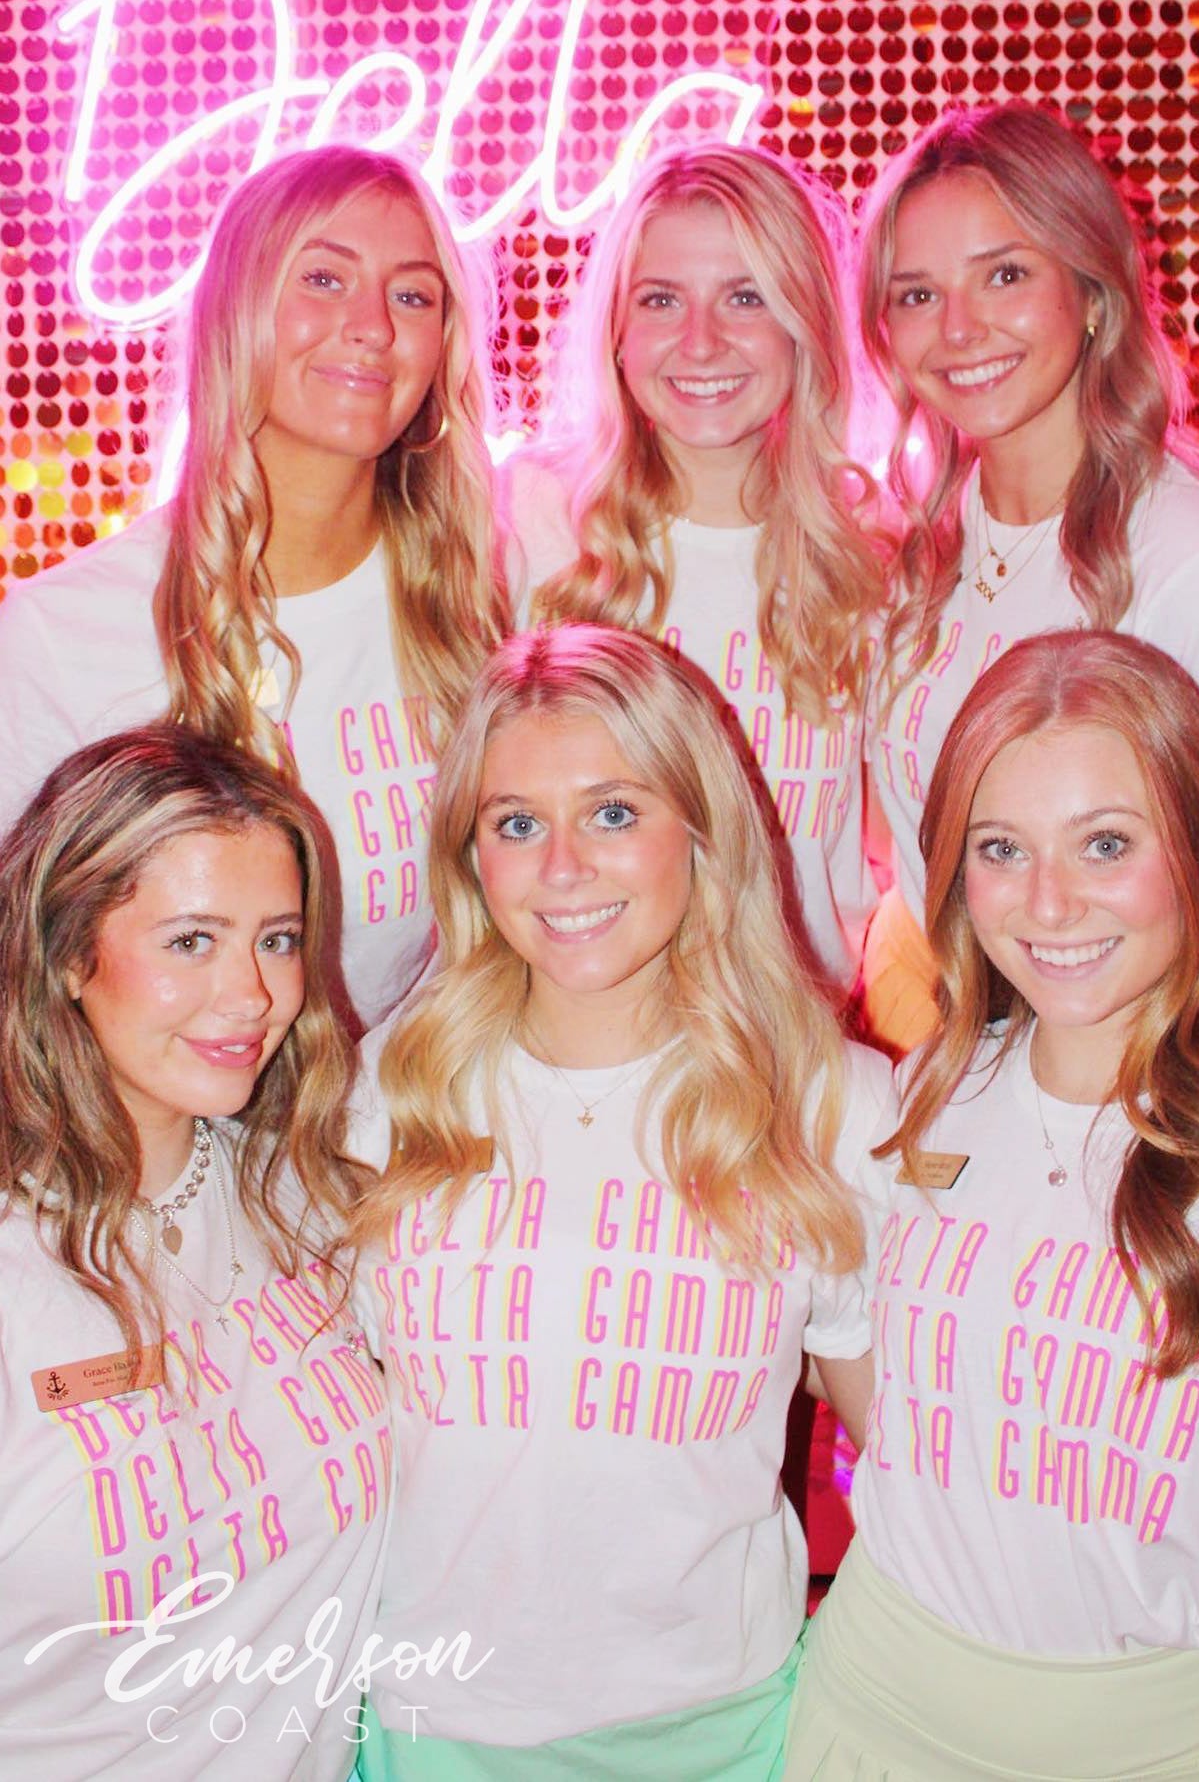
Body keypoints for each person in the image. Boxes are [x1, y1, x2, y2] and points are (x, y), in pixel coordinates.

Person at [346, 623, 894, 1778]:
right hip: (432, 1724)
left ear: (698, 827)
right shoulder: (390, 1088)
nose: (561, 867)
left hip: (723, 1732)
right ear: (469, 856)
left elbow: (912, 1465)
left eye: (610, 811)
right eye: (514, 822)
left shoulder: (828, 1102)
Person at [787, 630, 1199, 1779]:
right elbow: (898, 1409)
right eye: (1000, 848)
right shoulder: (929, 1090)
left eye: (1103, 842)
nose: (1048, 903)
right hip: (868, 1707)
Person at [0, 145, 506, 1032]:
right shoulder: (59, 635)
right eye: (323, 278)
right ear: (234, 308)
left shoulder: (488, 606)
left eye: (413, 296)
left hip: (411, 1113)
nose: (372, 327)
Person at [0, 725, 391, 1780]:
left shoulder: (311, 1196)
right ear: (68, 951)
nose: (252, 994)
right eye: (190, 941)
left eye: (277, 938)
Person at [503, 144, 888, 990]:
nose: (701, 342)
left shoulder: (872, 554)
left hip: (797, 1042)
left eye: (745, 297)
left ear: (803, 324)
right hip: (576, 1031)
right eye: (660, 299)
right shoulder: (529, 525)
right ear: (616, 333)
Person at [858, 100, 1199, 1055]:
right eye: (916, 294)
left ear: (1090, 291)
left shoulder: (1174, 554)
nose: (958, 329)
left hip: (1130, 1067)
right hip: (949, 1057)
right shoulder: (912, 553)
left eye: (1003, 275)